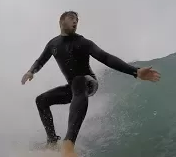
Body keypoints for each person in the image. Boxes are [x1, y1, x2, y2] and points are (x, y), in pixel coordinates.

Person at [21, 11, 161, 157]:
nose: (75, 22)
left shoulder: (83, 42)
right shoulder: (53, 44)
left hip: (88, 82)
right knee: (41, 100)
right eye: (72, 19)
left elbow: (105, 57)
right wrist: (31, 71)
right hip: (74, 87)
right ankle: (52, 141)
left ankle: (68, 145)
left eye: (77, 20)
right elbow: (41, 60)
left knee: (78, 81)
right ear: (61, 21)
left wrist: (135, 71)